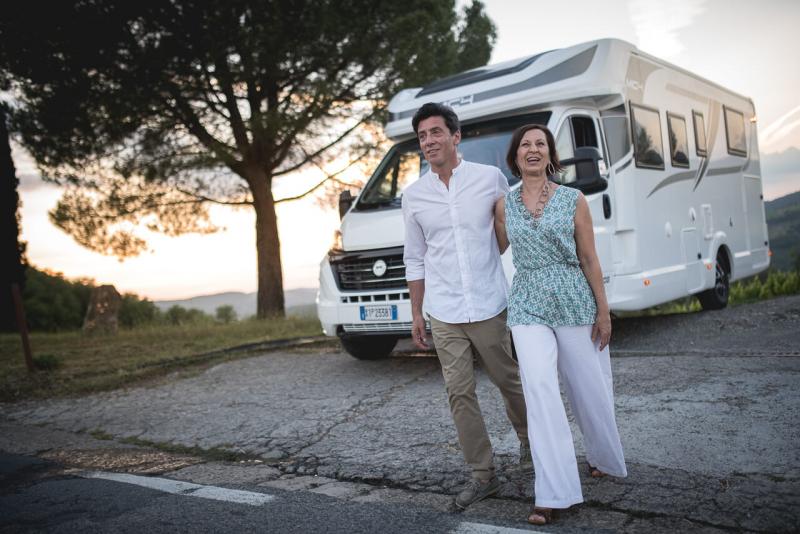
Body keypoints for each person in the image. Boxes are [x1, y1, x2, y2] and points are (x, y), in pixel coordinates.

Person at [494, 124, 627, 525]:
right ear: (515, 156)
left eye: (541, 144)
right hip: (528, 302)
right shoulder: (503, 205)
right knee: (539, 389)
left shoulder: (574, 199)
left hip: (572, 296)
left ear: (551, 154)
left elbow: (589, 258)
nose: (533, 149)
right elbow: (490, 250)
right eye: (525, 145)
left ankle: (602, 456)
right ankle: (553, 492)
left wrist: (603, 311)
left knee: (588, 387)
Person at [402, 102, 531, 510]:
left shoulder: (489, 179)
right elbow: (415, 258)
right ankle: (482, 475)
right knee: (459, 393)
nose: (428, 141)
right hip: (444, 311)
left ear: (455, 137)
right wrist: (416, 312)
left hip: (490, 303)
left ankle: (532, 447)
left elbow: (507, 229)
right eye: (422, 136)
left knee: (509, 381)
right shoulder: (414, 196)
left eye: (435, 132)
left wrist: (490, 259)